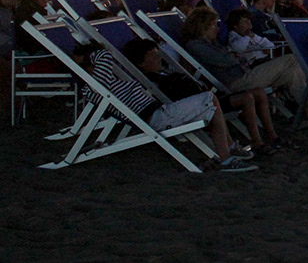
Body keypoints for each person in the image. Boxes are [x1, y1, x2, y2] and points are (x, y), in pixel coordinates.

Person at [72, 41, 255, 172]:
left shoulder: (105, 82)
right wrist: (91, 53)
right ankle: (226, 157)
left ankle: (228, 151)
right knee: (209, 98)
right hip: (155, 118)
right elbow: (104, 56)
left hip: (159, 112)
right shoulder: (94, 87)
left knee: (210, 104)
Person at [123, 37, 283, 156]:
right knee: (247, 98)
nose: (159, 58)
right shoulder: (154, 80)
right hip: (201, 104)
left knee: (259, 93)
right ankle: (255, 142)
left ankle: (271, 135)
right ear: (141, 63)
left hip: (206, 98)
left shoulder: (164, 72)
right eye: (153, 55)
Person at [181, 7, 308, 103]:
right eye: (214, 25)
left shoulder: (212, 43)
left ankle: (306, 107)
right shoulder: (197, 46)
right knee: (291, 58)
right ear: (203, 26)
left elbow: (231, 57)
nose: (217, 29)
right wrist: (234, 56)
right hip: (237, 81)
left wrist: (234, 56)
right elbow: (227, 60)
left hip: (245, 74)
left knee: (292, 72)